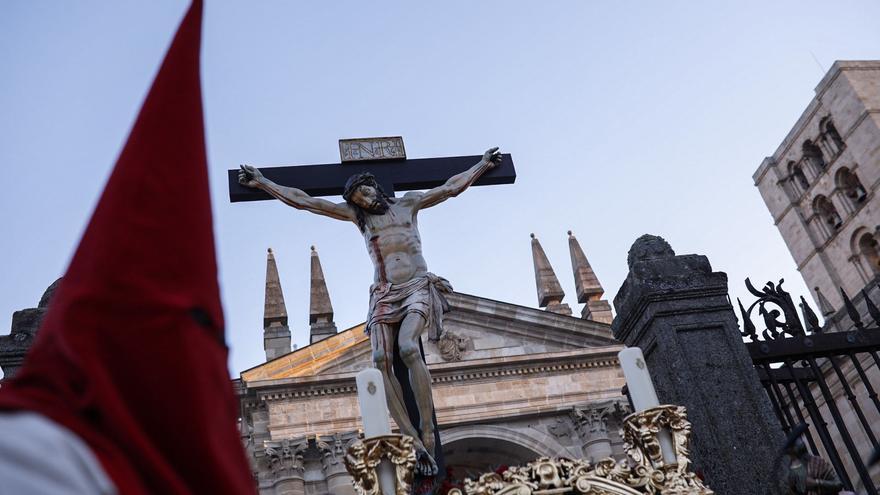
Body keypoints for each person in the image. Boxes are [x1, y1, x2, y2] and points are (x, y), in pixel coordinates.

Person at [238, 147, 502, 476]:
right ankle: (410, 434)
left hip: (417, 285)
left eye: (364, 193)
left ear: (373, 186)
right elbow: (305, 201)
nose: (362, 201)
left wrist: (481, 165)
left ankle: (426, 430)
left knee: (408, 347)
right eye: (356, 200)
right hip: (384, 292)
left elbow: (450, 187)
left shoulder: (409, 203)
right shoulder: (358, 219)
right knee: (379, 361)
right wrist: (264, 183)